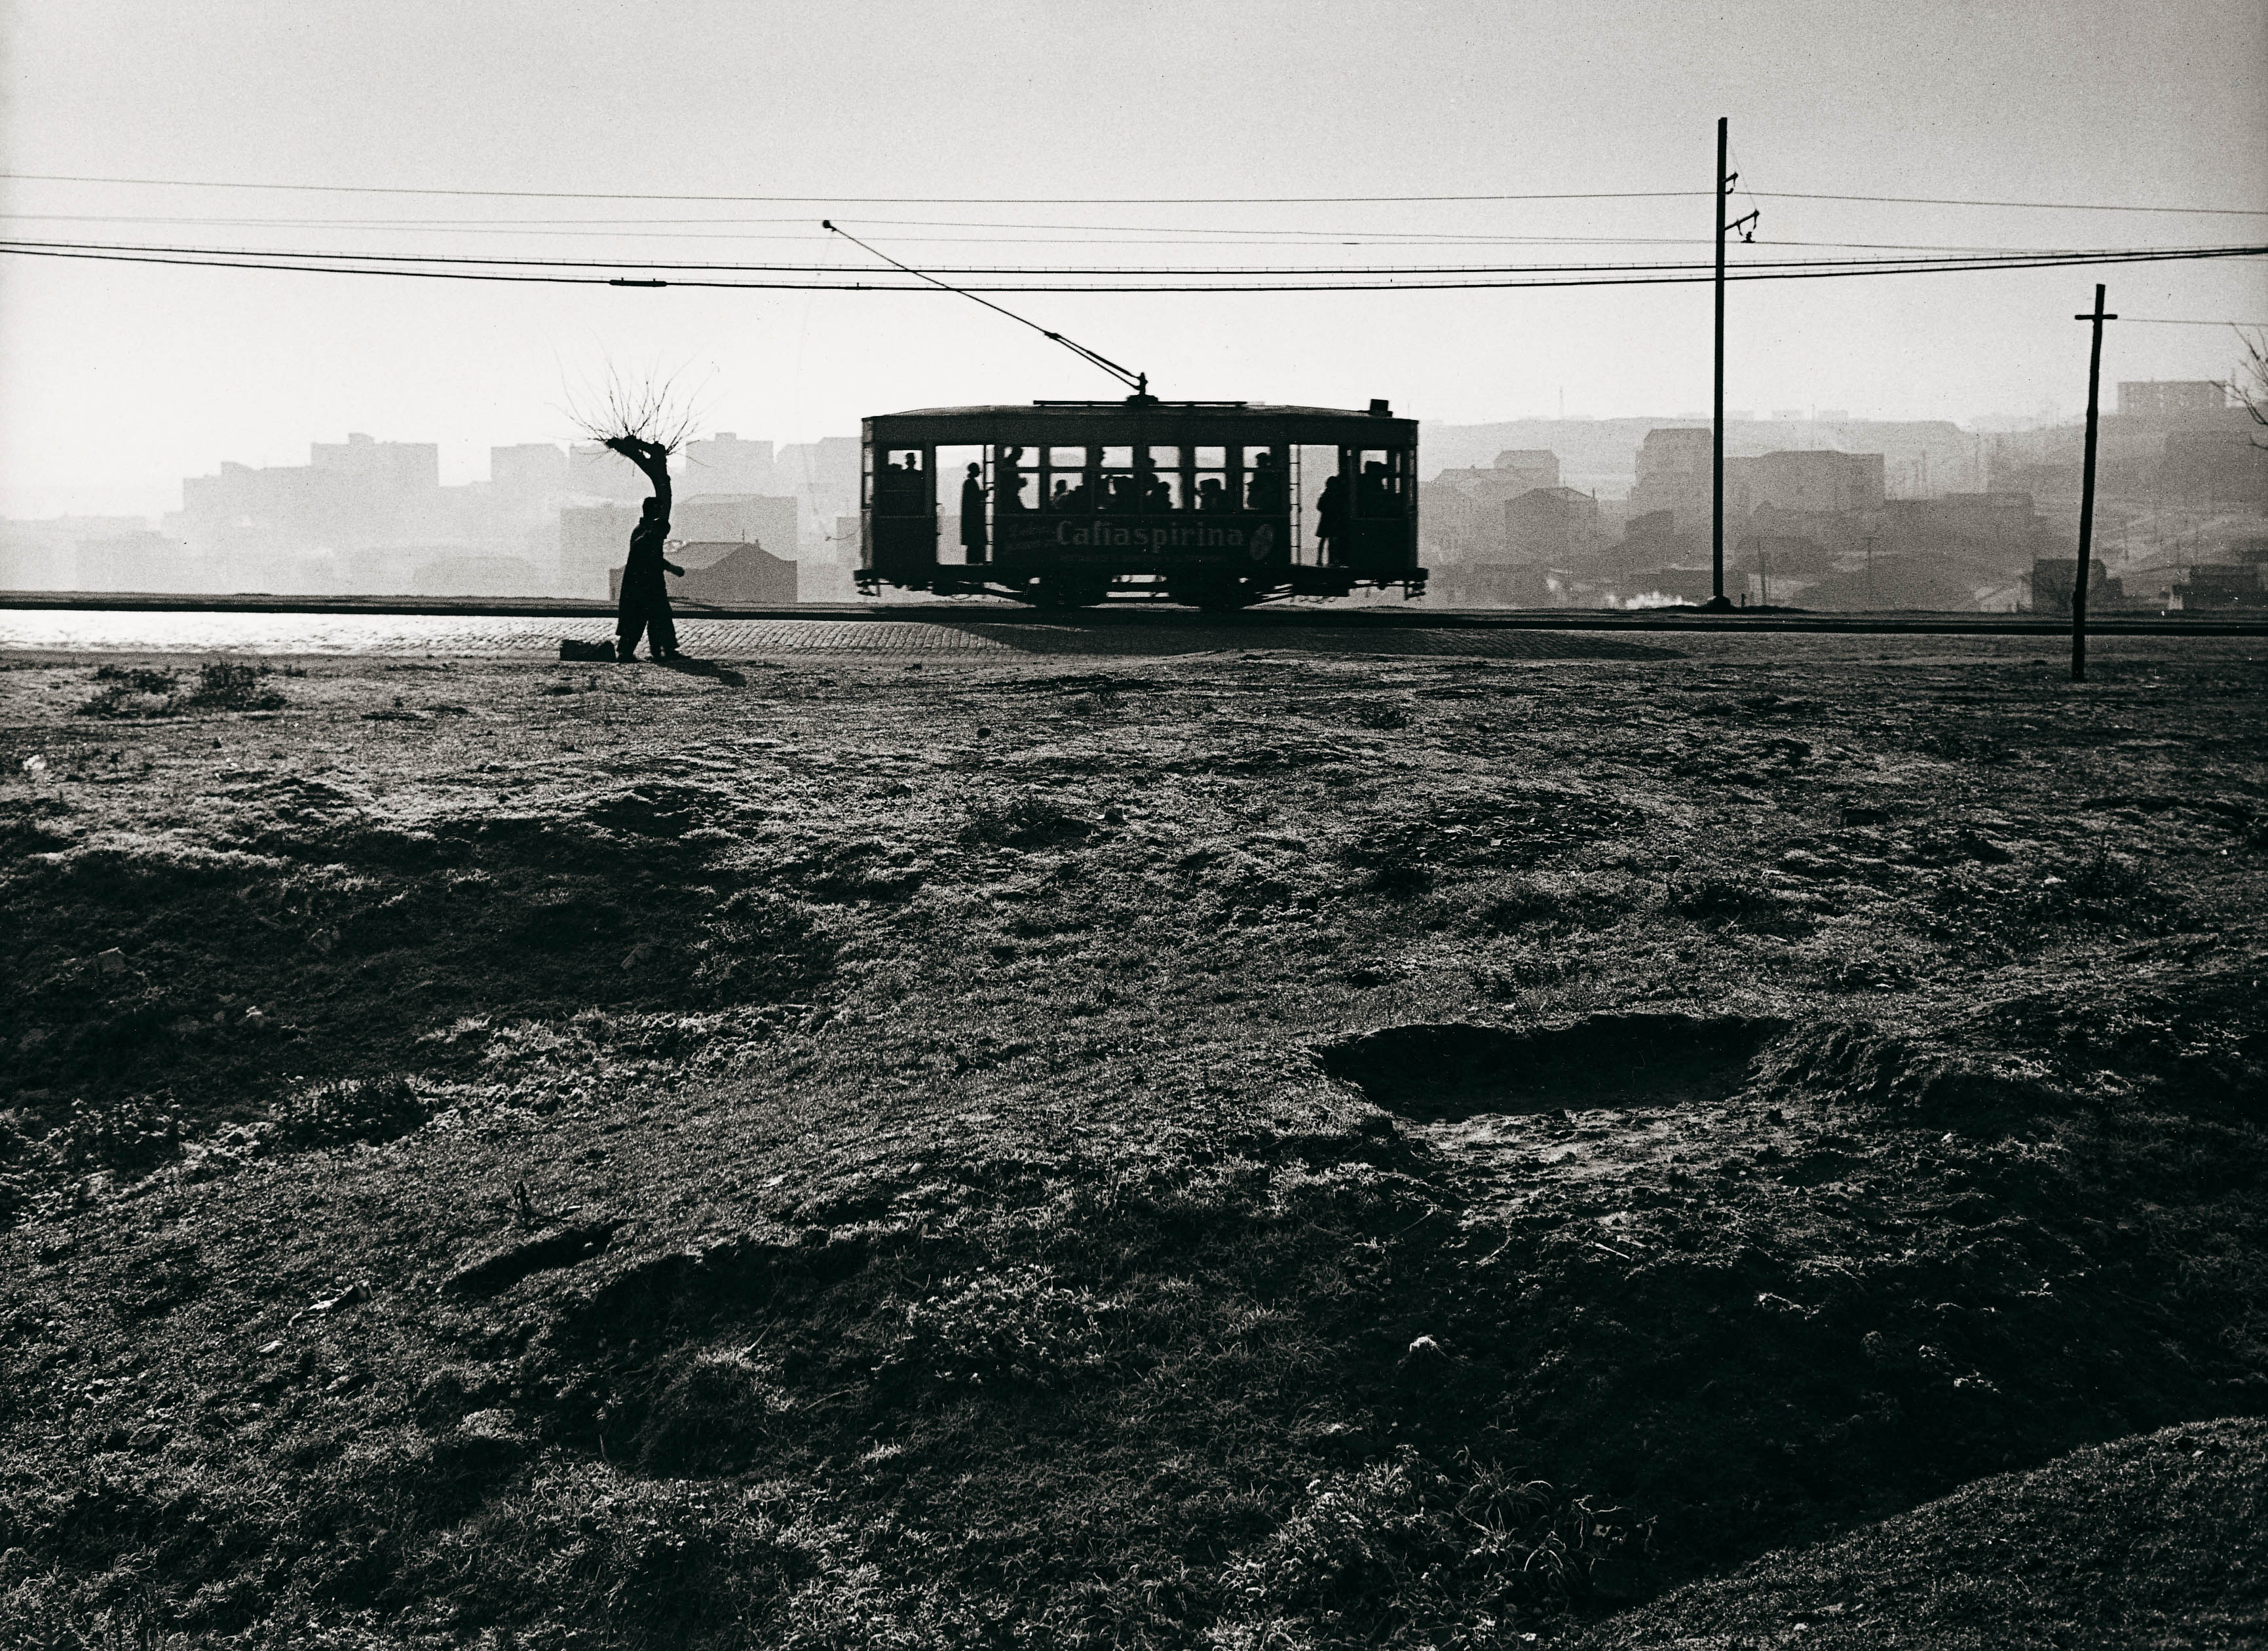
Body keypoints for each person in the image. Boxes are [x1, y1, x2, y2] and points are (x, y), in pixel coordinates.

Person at [605, 436, 685, 661]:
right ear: (652, 513)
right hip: (642, 587)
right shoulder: (642, 534)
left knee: (659, 618)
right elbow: (645, 554)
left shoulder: (646, 533)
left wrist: (671, 568)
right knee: (639, 619)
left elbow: (653, 559)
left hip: (649, 586)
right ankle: (628, 652)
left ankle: (664, 650)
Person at [1315, 472, 1348, 565]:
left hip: (1325, 519)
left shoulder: (1325, 494)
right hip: (1333, 519)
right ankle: (1333, 560)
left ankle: (1320, 559)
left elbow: (1319, 506)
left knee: (1324, 539)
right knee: (1333, 540)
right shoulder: (1336, 495)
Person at [960, 463, 988, 564]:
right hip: (974, 520)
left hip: (970, 520)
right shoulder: (971, 483)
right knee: (976, 545)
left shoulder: (969, 483)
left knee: (972, 546)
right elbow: (974, 498)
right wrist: (985, 493)